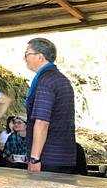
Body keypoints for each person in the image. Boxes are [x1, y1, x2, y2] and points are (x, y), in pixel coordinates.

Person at [23, 38, 76, 174]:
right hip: (64, 156)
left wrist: (34, 158)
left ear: (40, 56)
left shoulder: (45, 81)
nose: (24, 58)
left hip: (47, 158)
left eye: (27, 54)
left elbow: (42, 122)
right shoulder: (61, 79)